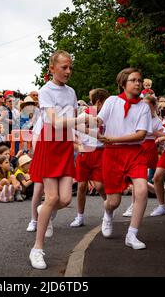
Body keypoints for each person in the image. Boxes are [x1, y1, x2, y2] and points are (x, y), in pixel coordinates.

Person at [28, 50, 87, 270]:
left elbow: (71, 123)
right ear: (52, 68)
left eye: (70, 67)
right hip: (49, 145)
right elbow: (54, 121)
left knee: (65, 200)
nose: (68, 71)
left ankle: (44, 210)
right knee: (52, 197)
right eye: (64, 67)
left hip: (64, 146)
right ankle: (37, 249)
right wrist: (81, 118)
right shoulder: (45, 91)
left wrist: (89, 126)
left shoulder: (71, 92)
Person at [95, 67, 152, 251]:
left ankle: (132, 234)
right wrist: (84, 122)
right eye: (133, 80)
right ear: (122, 83)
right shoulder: (111, 101)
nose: (138, 83)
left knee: (142, 190)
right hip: (112, 155)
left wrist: (113, 139)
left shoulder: (143, 106)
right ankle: (108, 213)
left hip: (135, 153)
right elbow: (99, 121)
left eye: (139, 80)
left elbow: (141, 135)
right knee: (114, 202)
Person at [70, 88, 109, 227]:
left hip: (100, 152)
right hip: (84, 153)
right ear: (99, 103)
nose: (107, 107)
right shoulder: (85, 115)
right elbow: (72, 128)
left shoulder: (107, 116)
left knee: (100, 186)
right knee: (81, 186)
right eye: (105, 103)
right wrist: (79, 144)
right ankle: (80, 216)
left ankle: (109, 210)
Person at [123, 94, 165, 217]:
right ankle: (161, 191)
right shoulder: (139, 117)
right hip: (138, 146)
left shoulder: (156, 120)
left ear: (153, 106)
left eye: (147, 105)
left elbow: (162, 135)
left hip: (149, 147)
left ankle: (134, 205)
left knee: (138, 177)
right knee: (136, 177)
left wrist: (150, 131)